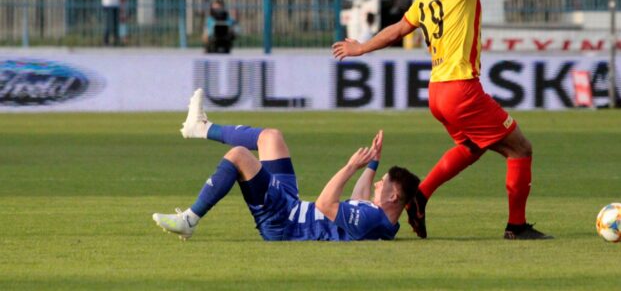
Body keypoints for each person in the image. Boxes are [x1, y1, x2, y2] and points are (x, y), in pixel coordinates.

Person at [332, 0, 551, 240]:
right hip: (461, 89)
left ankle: (420, 195)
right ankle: (516, 226)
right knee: (520, 149)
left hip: (437, 92)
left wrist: (362, 48)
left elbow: (398, 29)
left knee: (471, 147)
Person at [152, 89, 420, 241]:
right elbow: (359, 199)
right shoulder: (376, 218)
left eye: (383, 183)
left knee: (239, 155)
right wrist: (373, 160)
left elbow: (326, 205)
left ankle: (189, 219)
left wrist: (351, 166)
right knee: (271, 137)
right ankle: (200, 127)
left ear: (394, 196)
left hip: (285, 222)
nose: (377, 183)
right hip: (292, 207)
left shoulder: (374, 220)